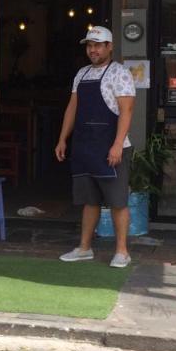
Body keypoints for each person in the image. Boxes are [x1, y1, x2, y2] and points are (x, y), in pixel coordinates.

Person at [54, 26, 137, 268]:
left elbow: (127, 111)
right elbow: (72, 107)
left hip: (111, 147)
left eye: (98, 45)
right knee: (89, 201)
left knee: (117, 201)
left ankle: (122, 251)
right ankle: (84, 248)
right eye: (90, 45)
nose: (93, 50)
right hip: (85, 146)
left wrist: (117, 145)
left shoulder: (120, 74)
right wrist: (62, 139)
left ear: (109, 47)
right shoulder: (81, 74)